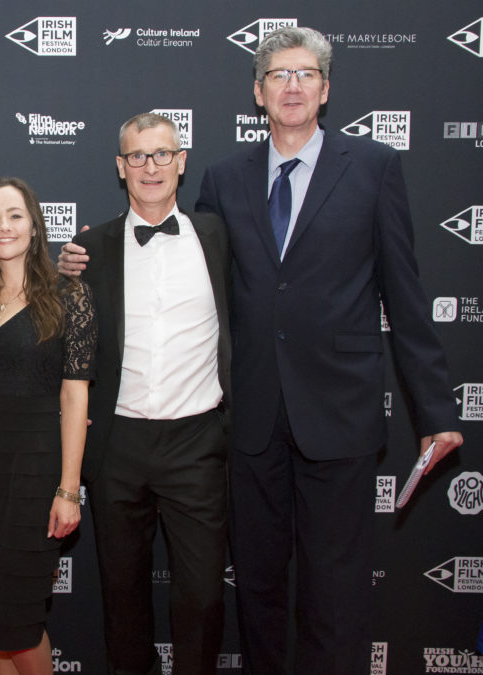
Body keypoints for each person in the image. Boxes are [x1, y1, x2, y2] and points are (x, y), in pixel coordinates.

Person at [61, 27, 465, 675]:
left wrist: (438, 410)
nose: (293, 86)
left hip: (340, 415)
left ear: (326, 89)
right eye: (279, 74)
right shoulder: (223, 180)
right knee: (259, 589)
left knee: (335, 592)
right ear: (258, 91)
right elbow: (184, 271)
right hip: (250, 421)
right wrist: (87, 256)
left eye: (307, 74)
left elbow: (407, 297)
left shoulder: (373, 167)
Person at [68, 113, 231, 675]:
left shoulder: (218, 236)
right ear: (120, 167)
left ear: (182, 161)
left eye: (162, 154)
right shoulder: (91, 249)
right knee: (123, 597)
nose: (150, 167)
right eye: (137, 156)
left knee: (205, 596)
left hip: (198, 441)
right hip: (119, 445)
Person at [0, 177, 96, 675]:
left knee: (19, 621)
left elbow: (75, 393)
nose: (3, 226)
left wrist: (69, 489)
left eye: (14, 215)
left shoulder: (67, 295)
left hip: (33, 467)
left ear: (34, 225)